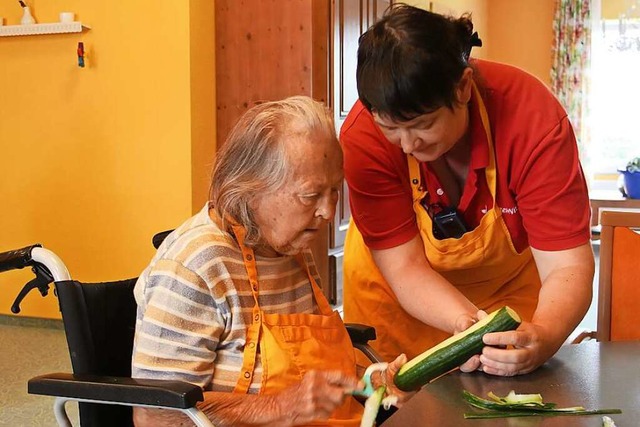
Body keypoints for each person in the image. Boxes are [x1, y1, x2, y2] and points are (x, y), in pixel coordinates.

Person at [341, 5, 595, 377]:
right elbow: (405, 266)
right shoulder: (363, 137)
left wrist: (542, 335)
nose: (407, 144)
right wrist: (468, 325)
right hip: (397, 294)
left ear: (462, 87)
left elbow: (567, 266)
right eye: (390, 128)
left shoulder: (532, 120)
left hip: (507, 292)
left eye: (422, 124)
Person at [131, 96, 409, 427]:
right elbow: (156, 416)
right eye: (310, 196)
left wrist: (370, 382)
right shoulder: (195, 266)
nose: (328, 212)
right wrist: (278, 408)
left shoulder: (289, 249)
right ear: (250, 187)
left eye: (335, 191)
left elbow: (313, 375)